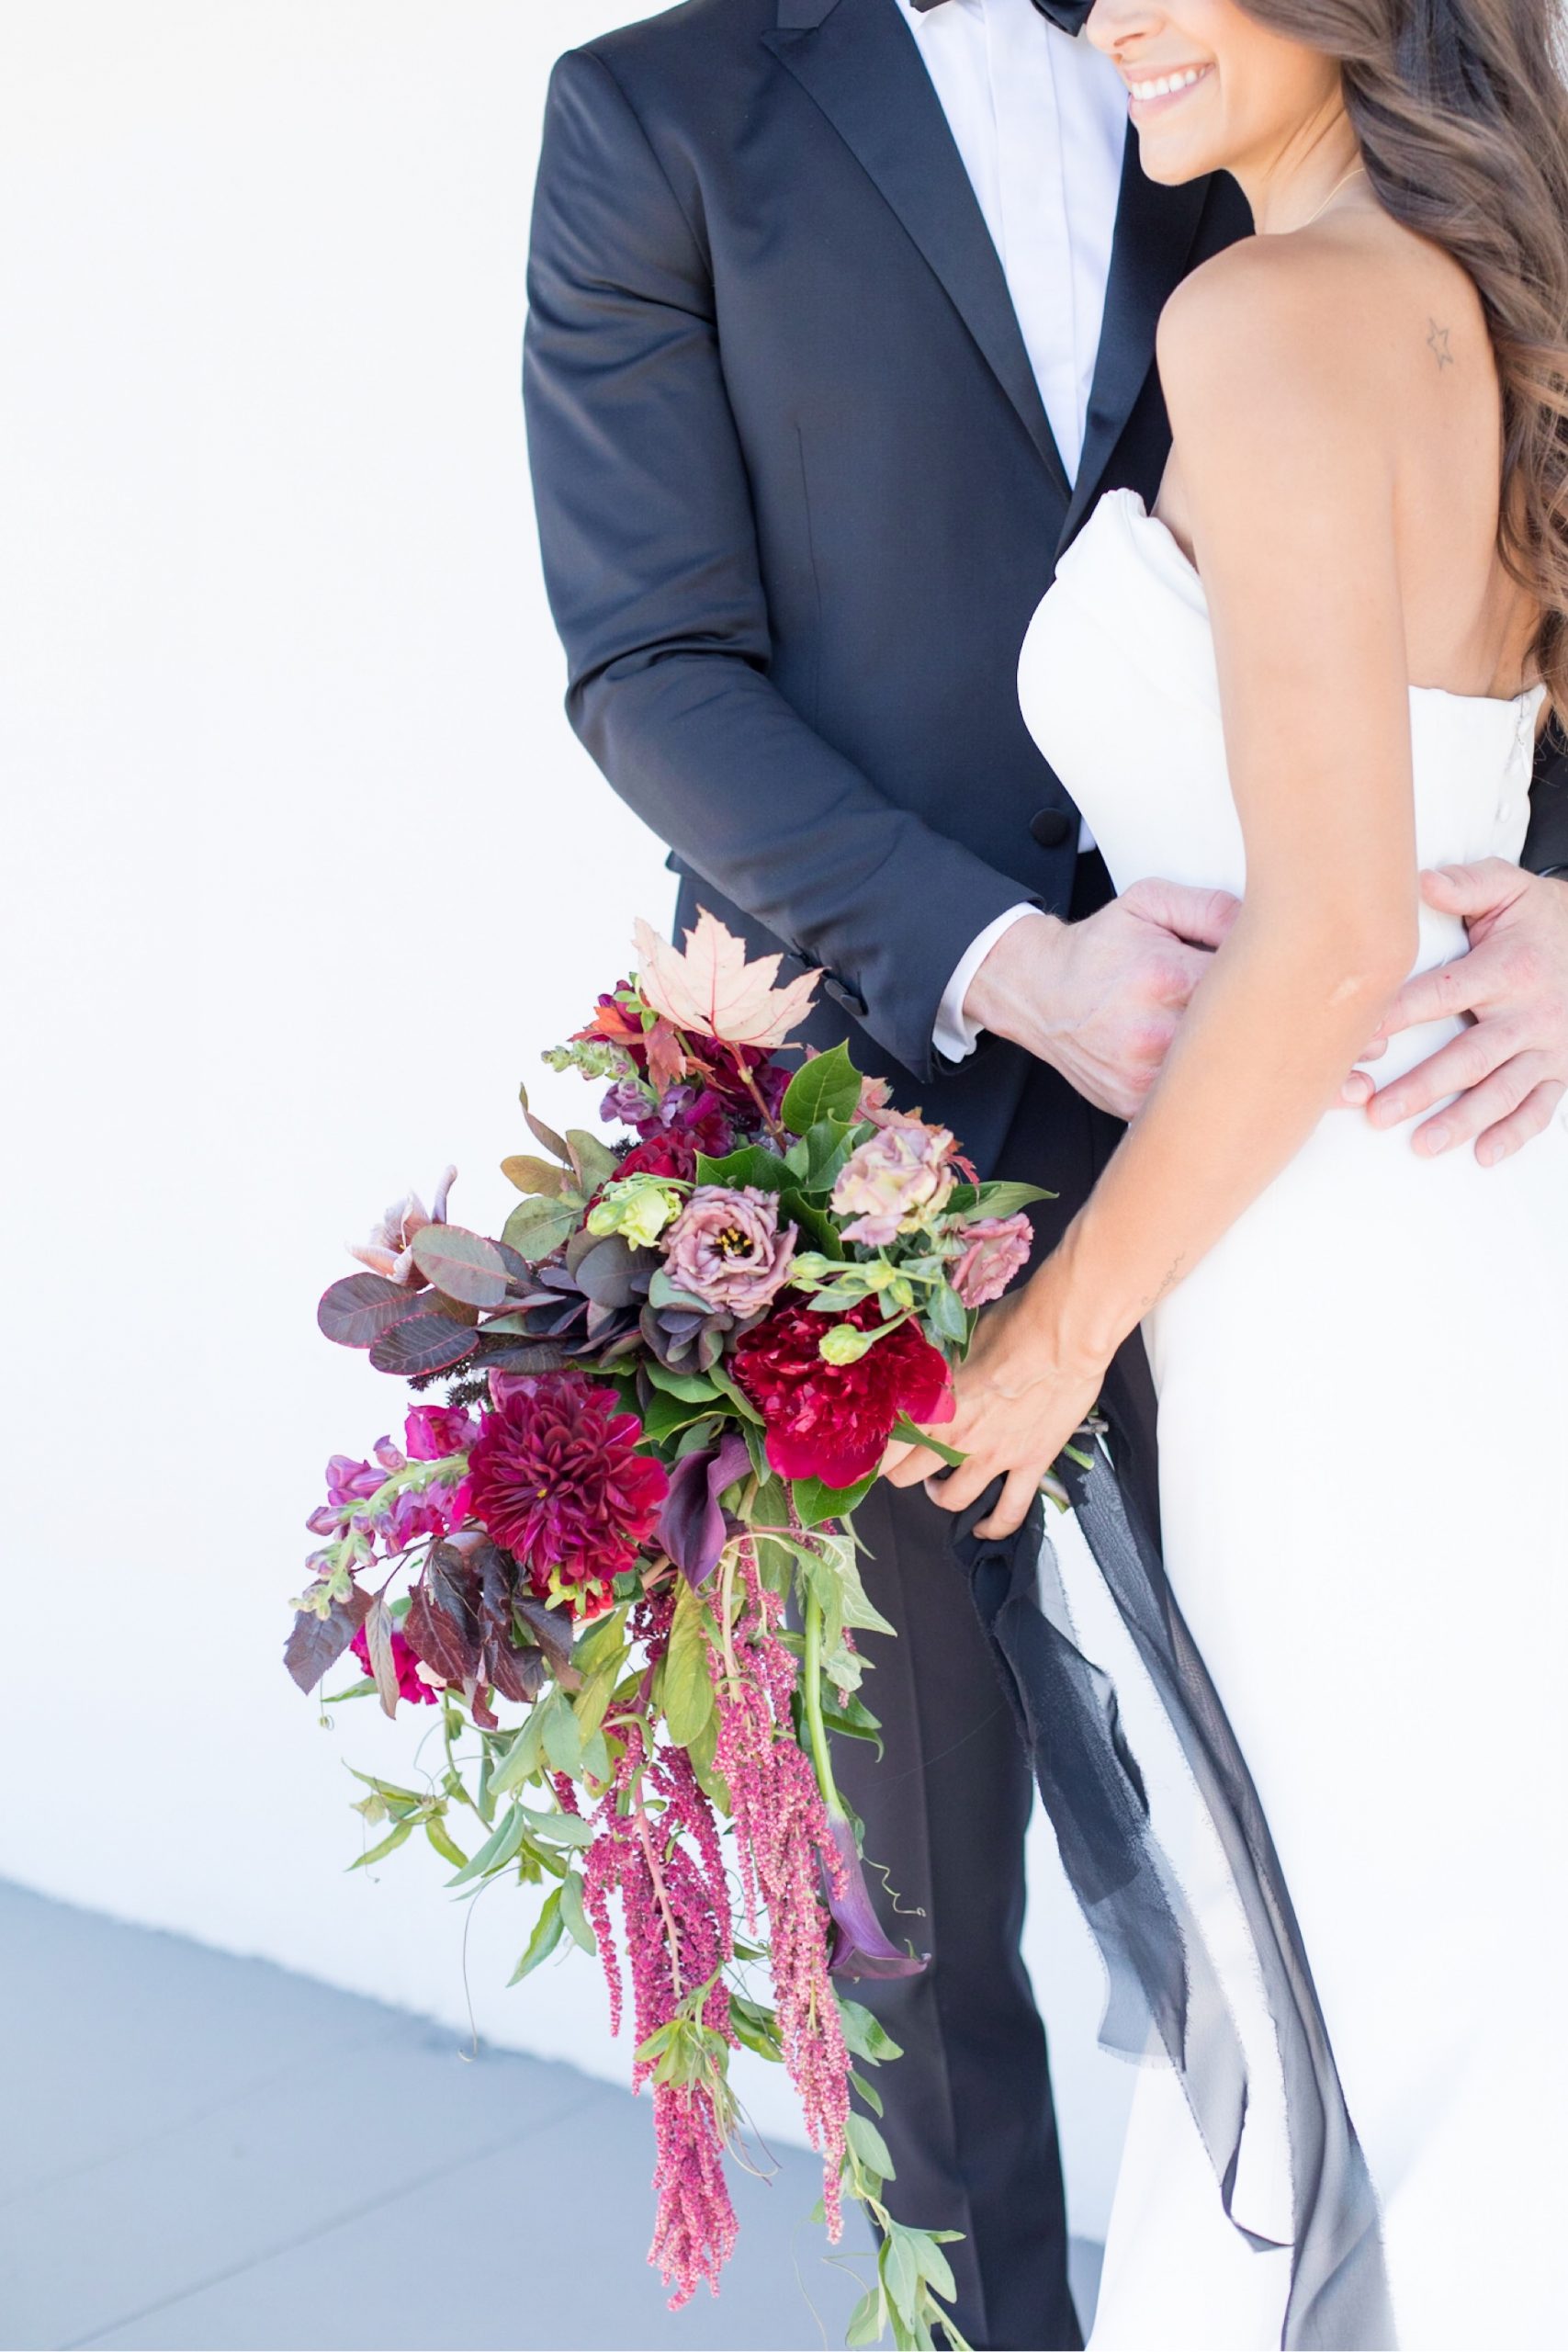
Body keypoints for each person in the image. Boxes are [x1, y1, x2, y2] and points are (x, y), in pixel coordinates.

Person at [523, 2, 1568, 2340]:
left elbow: (1362, 826)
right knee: (931, 1938)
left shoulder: (1285, 202)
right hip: (916, 1127)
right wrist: (1002, 960)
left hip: (1333, 1185)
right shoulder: (659, 116)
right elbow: (648, 661)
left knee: (1382, 1928)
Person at [886, 0, 1568, 2339]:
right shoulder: (1467, 288)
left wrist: (1042, 1344)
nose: (1112, 16)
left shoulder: (1265, 311)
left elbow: (1331, 927)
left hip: (1340, 1273)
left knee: (1361, 2005)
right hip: (1438, 1230)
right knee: (1429, 1982)